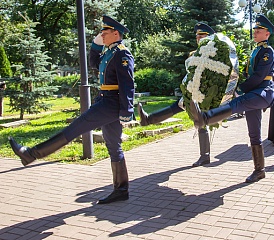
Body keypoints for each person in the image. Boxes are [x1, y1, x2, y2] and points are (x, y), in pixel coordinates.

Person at [9, 15, 134, 204]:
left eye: (105, 32)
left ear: (115, 33)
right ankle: (121, 190)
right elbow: (94, 64)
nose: (101, 34)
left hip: (111, 103)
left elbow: (127, 84)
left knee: (74, 128)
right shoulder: (110, 52)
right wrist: (96, 45)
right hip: (105, 100)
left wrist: (127, 111)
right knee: (113, 145)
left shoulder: (122, 54)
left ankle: (31, 154)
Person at [189, 14, 274, 183]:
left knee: (237, 102)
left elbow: (259, 76)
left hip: (263, 91)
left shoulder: (267, 51)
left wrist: (241, 90)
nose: (255, 33)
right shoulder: (256, 50)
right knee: (254, 134)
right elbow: (248, 74)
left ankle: (206, 117)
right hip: (255, 93)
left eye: (259, 31)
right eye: (255, 30)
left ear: (267, 34)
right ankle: (260, 170)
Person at [137, 22, 215, 167]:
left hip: (203, 94)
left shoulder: (213, 54)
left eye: (202, 36)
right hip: (191, 91)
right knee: (181, 110)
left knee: (200, 121)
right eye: (197, 36)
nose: (198, 38)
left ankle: (205, 156)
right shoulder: (194, 54)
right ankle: (147, 120)